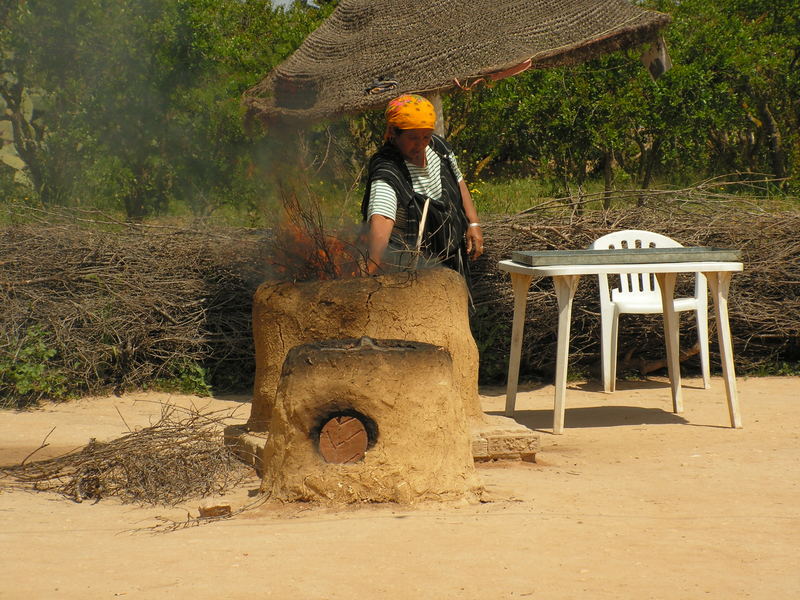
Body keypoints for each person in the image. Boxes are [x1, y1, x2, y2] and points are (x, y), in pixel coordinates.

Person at [361, 94, 484, 280]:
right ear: (394, 133)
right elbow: (383, 216)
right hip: (412, 263)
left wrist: (473, 223)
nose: (421, 144)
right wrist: (373, 263)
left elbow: (458, 182)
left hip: (451, 255)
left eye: (426, 136)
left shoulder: (439, 148)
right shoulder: (388, 168)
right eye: (413, 138)